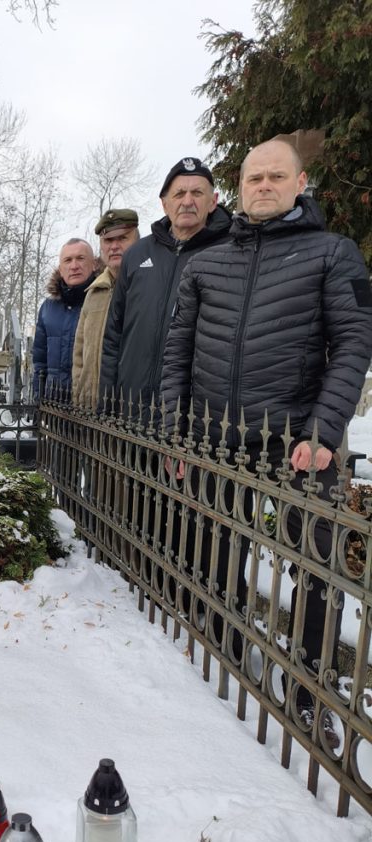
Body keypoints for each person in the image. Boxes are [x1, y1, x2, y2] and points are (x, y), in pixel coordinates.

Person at [161, 139, 372, 745]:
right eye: (255, 177)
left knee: (315, 564)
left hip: (297, 441)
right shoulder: (206, 264)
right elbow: (177, 354)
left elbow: (354, 342)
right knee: (215, 547)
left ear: (299, 182)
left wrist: (323, 431)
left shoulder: (333, 253)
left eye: (277, 176)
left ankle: (310, 685)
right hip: (215, 437)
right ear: (240, 185)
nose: (264, 186)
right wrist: (175, 432)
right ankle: (222, 642)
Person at [99, 157, 232, 414]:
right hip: (131, 408)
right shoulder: (137, 255)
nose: (187, 201)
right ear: (164, 203)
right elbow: (113, 336)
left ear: (213, 201)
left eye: (197, 193)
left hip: (194, 416)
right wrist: (106, 406)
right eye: (179, 193)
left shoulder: (231, 252)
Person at [72, 209, 139, 408]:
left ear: (137, 240)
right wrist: (78, 396)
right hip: (91, 409)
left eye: (122, 238)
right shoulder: (94, 292)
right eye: (108, 240)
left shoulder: (147, 286)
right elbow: (79, 355)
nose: (114, 246)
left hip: (131, 409)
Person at [33, 238, 97, 398]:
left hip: (90, 403)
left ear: (93, 264)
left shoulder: (104, 302)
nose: (74, 266)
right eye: (68, 260)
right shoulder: (48, 308)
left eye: (80, 258)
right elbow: (40, 363)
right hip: (54, 404)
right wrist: (37, 401)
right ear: (61, 269)